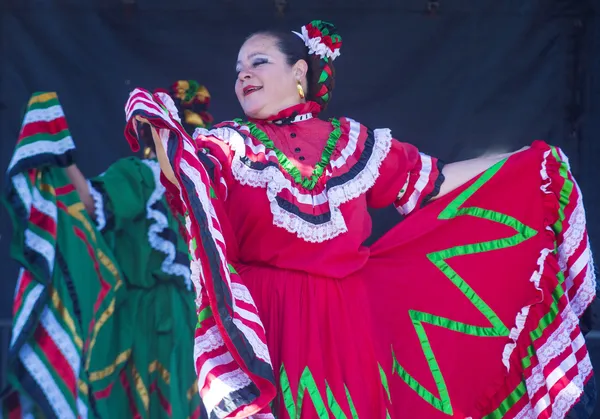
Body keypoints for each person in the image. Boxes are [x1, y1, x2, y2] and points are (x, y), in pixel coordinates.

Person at [126, 21, 596, 419]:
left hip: (345, 326)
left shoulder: (352, 143)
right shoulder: (226, 145)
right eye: (238, 70)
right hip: (269, 324)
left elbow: (430, 182)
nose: (243, 75)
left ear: (299, 72)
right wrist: (161, 126)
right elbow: (186, 172)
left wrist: (517, 162)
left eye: (258, 62)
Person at [2, 81, 213, 419]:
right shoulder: (150, 175)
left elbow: (87, 201)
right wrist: (58, 152)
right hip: (157, 318)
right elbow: (90, 202)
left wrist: (57, 150)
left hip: (175, 318)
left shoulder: (186, 178)